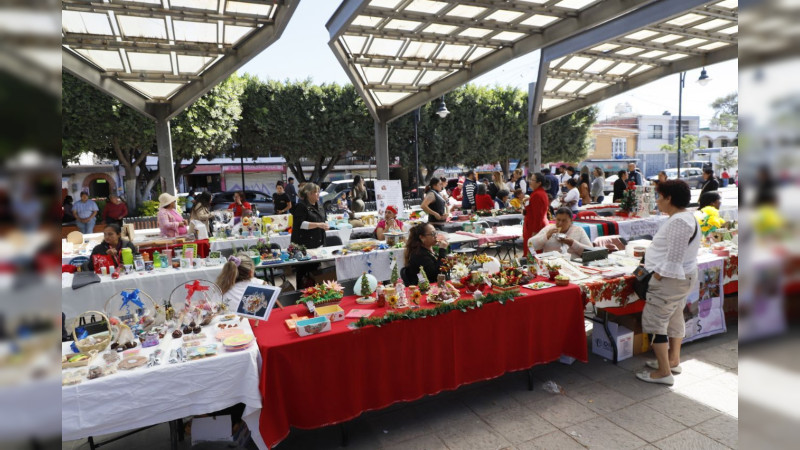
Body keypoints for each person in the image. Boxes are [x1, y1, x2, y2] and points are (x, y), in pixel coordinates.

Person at [636, 180, 700, 386]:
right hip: (678, 280)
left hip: (669, 282)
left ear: (669, 198)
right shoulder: (682, 218)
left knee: (656, 323)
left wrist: (656, 277)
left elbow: (674, 259)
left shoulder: (680, 221)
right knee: (673, 318)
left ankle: (664, 373)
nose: (657, 201)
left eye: (659, 196)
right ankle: (672, 361)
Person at [290, 183, 329, 288]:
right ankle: (302, 295)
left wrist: (325, 225)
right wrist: (319, 225)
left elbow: (322, 219)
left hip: (318, 244)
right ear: (309, 194)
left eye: (318, 192)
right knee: (304, 273)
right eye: (316, 192)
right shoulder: (301, 206)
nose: (318, 194)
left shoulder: (319, 205)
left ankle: (316, 293)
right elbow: (301, 224)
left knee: (315, 272)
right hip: (304, 246)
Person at [528, 207, 593, 258]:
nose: (560, 223)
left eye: (564, 221)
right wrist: (546, 236)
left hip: (573, 263)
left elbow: (591, 252)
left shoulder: (578, 230)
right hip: (551, 264)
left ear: (571, 220)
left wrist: (572, 243)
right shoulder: (549, 229)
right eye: (558, 220)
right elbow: (530, 245)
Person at [522, 173, 550, 257]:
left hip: (535, 227)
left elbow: (538, 216)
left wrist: (535, 232)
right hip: (532, 225)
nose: (530, 182)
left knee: (533, 253)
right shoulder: (537, 193)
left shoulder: (537, 194)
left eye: (532, 180)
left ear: (539, 183)